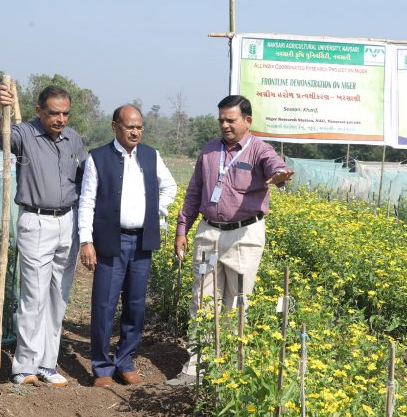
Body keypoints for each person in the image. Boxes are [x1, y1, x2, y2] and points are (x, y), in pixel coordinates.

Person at [166, 95, 293, 385]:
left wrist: (281, 175)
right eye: (221, 119)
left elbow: (275, 166)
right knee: (202, 300)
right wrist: (182, 228)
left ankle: (231, 372)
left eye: (231, 120)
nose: (225, 125)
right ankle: (195, 369)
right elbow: (194, 191)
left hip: (243, 236)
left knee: (237, 303)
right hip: (209, 234)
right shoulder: (210, 150)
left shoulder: (259, 149)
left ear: (247, 121)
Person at [77, 104, 176, 387]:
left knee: (135, 304)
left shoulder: (151, 155)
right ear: (114, 126)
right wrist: (86, 240)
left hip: (142, 241)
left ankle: (126, 361)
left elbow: (170, 187)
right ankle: (102, 367)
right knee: (104, 304)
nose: (135, 131)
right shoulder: (98, 158)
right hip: (111, 240)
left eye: (139, 127)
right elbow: (87, 201)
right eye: (129, 126)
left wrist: (155, 210)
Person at [0, 83, 87, 386]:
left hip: (67, 222)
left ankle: (48, 363)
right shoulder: (24, 133)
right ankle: (24, 366)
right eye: (53, 113)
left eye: (65, 114)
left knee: (58, 296)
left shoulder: (73, 138)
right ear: (39, 111)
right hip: (36, 221)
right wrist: (4, 113)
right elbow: (4, 136)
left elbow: (84, 177)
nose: (60, 119)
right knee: (34, 295)